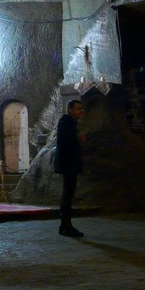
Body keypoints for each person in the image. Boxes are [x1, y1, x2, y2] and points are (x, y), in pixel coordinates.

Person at [54, 99, 85, 238]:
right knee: (67, 195)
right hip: (69, 164)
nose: (80, 112)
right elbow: (65, 143)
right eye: (78, 109)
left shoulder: (68, 123)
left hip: (69, 164)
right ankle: (66, 226)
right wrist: (78, 140)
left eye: (81, 109)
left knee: (68, 195)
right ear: (70, 109)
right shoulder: (66, 123)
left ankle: (64, 226)